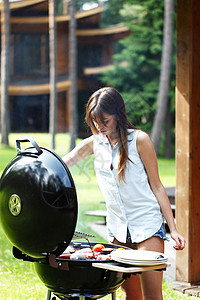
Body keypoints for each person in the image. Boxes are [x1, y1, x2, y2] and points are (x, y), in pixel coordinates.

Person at [62, 87, 185, 300]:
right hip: (117, 230)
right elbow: (64, 163)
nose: (99, 126)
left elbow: (156, 186)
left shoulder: (140, 140)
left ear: (118, 115)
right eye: (95, 121)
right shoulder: (94, 143)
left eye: (105, 121)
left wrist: (172, 229)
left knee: (152, 296)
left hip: (146, 225)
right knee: (131, 295)